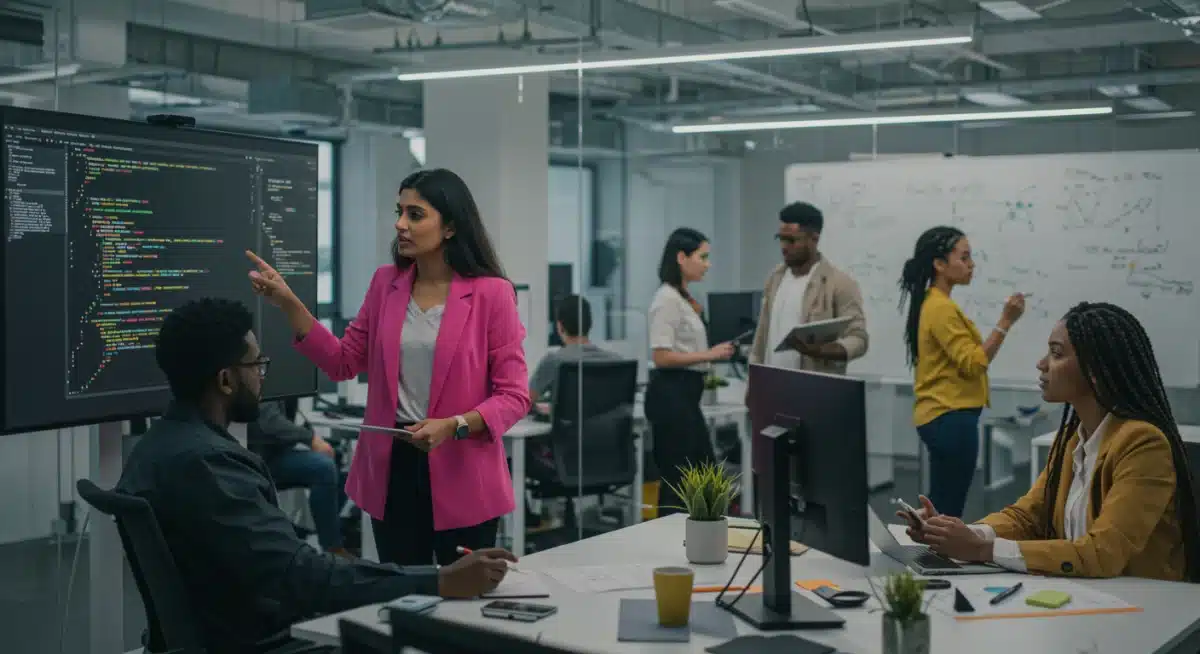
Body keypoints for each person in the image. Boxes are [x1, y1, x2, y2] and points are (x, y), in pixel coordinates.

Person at [117, 298, 515, 654]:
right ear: (225, 379)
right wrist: (439, 581)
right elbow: (303, 577)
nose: (262, 375)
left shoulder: (156, 449)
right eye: (256, 364)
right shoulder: (208, 464)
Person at [248, 168, 531, 568]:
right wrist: (290, 304)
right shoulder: (387, 284)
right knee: (402, 595)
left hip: (463, 468)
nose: (400, 224)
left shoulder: (492, 294)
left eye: (415, 215)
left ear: (450, 227)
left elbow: (515, 395)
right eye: (399, 212)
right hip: (392, 467)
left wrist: (453, 425)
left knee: (464, 601)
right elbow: (343, 361)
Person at [901, 302, 1200, 582]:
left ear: (1095, 372)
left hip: (1150, 610)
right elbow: (1026, 517)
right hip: (1092, 597)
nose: (1042, 364)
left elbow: (1103, 553)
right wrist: (961, 535)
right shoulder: (1073, 439)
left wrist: (980, 549)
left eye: (1056, 354)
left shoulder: (1143, 444)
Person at [898, 225, 1025, 518]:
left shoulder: (935, 303)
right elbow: (974, 363)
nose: (971, 265)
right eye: (964, 258)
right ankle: (933, 558)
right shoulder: (940, 308)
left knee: (941, 503)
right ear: (940, 265)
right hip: (950, 417)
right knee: (948, 508)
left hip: (945, 416)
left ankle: (925, 551)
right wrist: (1006, 321)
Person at [646, 227, 735, 516]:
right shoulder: (666, 299)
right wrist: (710, 354)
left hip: (686, 397)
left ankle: (696, 541)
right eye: (703, 257)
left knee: (702, 475)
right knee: (681, 479)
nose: (708, 264)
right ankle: (666, 545)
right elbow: (661, 356)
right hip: (672, 395)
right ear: (682, 257)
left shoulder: (682, 298)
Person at [748, 201, 868, 374]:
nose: (784, 247)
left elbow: (859, 338)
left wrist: (822, 351)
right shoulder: (775, 277)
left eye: (791, 240)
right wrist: (753, 379)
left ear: (814, 238)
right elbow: (761, 336)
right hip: (772, 386)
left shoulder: (839, 283)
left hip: (812, 389)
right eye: (780, 238)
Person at [247, 400, 348, 556]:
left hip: (277, 452)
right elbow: (269, 421)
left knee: (339, 461)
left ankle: (320, 529)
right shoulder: (269, 378)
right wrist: (310, 439)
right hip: (260, 458)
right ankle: (333, 549)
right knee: (324, 467)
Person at [529, 294, 622, 407]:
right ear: (590, 324)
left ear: (559, 327)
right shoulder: (616, 362)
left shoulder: (554, 361)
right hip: (606, 424)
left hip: (568, 425)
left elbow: (524, 400)